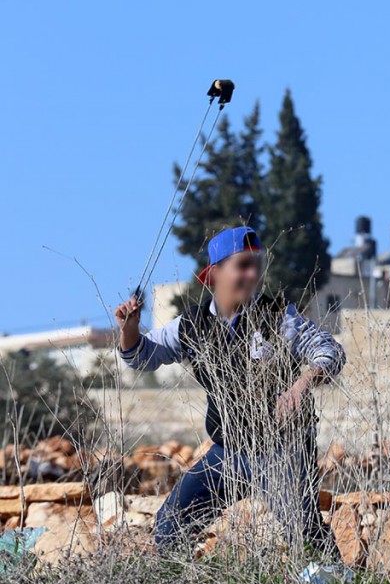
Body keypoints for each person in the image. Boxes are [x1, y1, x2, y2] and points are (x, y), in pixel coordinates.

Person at [115, 226, 346, 564]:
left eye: (256, 264)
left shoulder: (279, 317)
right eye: (243, 265)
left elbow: (331, 352)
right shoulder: (191, 326)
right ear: (214, 274)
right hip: (227, 451)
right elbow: (140, 357)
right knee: (170, 524)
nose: (253, 274)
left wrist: (303, 383)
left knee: (304, 534)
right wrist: (129, 328)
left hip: (282, 451)